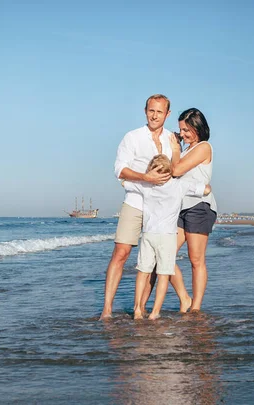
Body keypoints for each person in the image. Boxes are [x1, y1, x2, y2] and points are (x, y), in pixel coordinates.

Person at [99, 94, 174, 320]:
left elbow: (177, 169)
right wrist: (145, 177)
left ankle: (140, 308)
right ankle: (107, 309)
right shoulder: (132, 137)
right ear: (145, 111)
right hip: (135, 202)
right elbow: (119, 169)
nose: (154, 115)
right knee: (121, 253)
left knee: (154, 261)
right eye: (151, 110)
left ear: (167, 114)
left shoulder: (172, 140)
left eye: (159, 112)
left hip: (160, 209)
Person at [141, 108, 217, 313]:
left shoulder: (204, 147)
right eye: (180, 130)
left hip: (199, 207)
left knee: (196, 259)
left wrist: (175, 149)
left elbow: (176, 170)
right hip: (180, 208)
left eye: (186, 130)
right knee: (163, 256)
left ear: (197, 127)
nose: (182, 134)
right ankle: (185, 299)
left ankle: (196, 308)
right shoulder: (184, 151)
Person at [123, 151, 210, 320]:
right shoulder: (179, 185)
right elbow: (205, 190)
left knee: (143, 272)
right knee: (163, 274)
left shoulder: (146, 185)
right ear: (170, 171)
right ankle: (155, 312)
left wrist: (146, 177)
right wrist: (206, 187)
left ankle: (137, 310)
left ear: (152, 171)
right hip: (168, 236)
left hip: (148, 235)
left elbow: (124, 183)